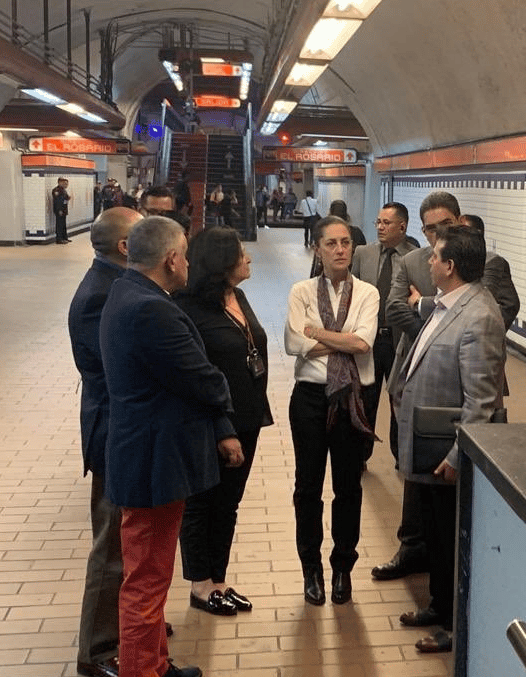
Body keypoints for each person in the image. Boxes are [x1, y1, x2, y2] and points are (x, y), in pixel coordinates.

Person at [100, 216, 243, 677]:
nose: (187, 262)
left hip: (145, 454)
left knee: (151, 575)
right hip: (153, 462)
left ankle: (156, 665)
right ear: (172, 260)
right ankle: (143, 672)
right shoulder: (151, 309)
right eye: (184, 252)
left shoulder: (127, 291)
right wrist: (224, 391)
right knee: (146, 581)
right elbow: (202, 377)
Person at [372, 191, 519, 582]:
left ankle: (444, 578)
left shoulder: (485, 262)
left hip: (465, 377)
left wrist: (442, 323)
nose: (436, 235)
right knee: (415, 473)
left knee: (447, 492)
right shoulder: (412, 260)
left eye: (444, 227)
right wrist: (435, 318)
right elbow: (395, 308)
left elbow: (498, 313)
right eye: (430, 229)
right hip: (419, 371)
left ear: (458, 221)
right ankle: (413, 548)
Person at [390, 226, 506, 654]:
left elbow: (482, 400)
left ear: (450, 266)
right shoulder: (448, 305)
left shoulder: (479, 317)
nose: (429, 262)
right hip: (430, 448)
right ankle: (439, 605)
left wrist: (460, 454)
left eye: (435, 257)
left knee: (453, 540)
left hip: (448, 454)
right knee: (437, 536)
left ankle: (458, 627)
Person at [175, 227, 272, 617]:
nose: (249, 259)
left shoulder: (238, 296)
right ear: (220, 263)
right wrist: (222, 429)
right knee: (202, 502)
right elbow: (195, 376)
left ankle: (219, 579)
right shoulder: (188, 307)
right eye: (241, 254)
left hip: (247, 416)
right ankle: (200, 585)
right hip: (212, 422)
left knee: (228, 503)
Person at [285, 217, 379, 606]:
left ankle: (343, 567)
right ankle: (311, 569)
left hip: (353, 398)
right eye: (332, 244)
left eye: (346, 243)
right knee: (308, 488)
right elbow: (293, 342)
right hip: (309, 397)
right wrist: (338, 339)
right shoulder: (301, 290)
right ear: (318, 249)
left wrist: (317, 334)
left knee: (348, 488)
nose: (340, 250)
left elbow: (362, 343)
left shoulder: (368, 293)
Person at [68, 207, 141, 677]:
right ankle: (95, 653)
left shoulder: (112, 284)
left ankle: (126, 626)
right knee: (111, 546)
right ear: (124, 247)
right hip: (114, 433)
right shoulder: (101, 295)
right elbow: (120, 370)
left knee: (127, 541)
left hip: (124, 431)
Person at [350, 202, 418, 462]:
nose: (379, 227)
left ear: (402, 226)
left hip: (400, 341)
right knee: (365, 399)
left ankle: (401, 455)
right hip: (368, 340)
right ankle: (360, 455)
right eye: (378, 222)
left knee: (399, 399)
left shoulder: (415, 257)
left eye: (386, 223)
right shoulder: (363, 254)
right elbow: (351, 292)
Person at [52, 177, 72, 244]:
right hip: (59, 210)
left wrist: (68, 198)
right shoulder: (56, 190)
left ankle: (64, 237)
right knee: (59, 224)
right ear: (60, 182)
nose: (65, 185)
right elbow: (57, 201)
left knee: (63, 224)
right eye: (64, 183)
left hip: (64, 209)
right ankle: (59, 239)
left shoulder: (63, 190)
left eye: (66, 184)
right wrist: (59, 210)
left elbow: (65, 198)